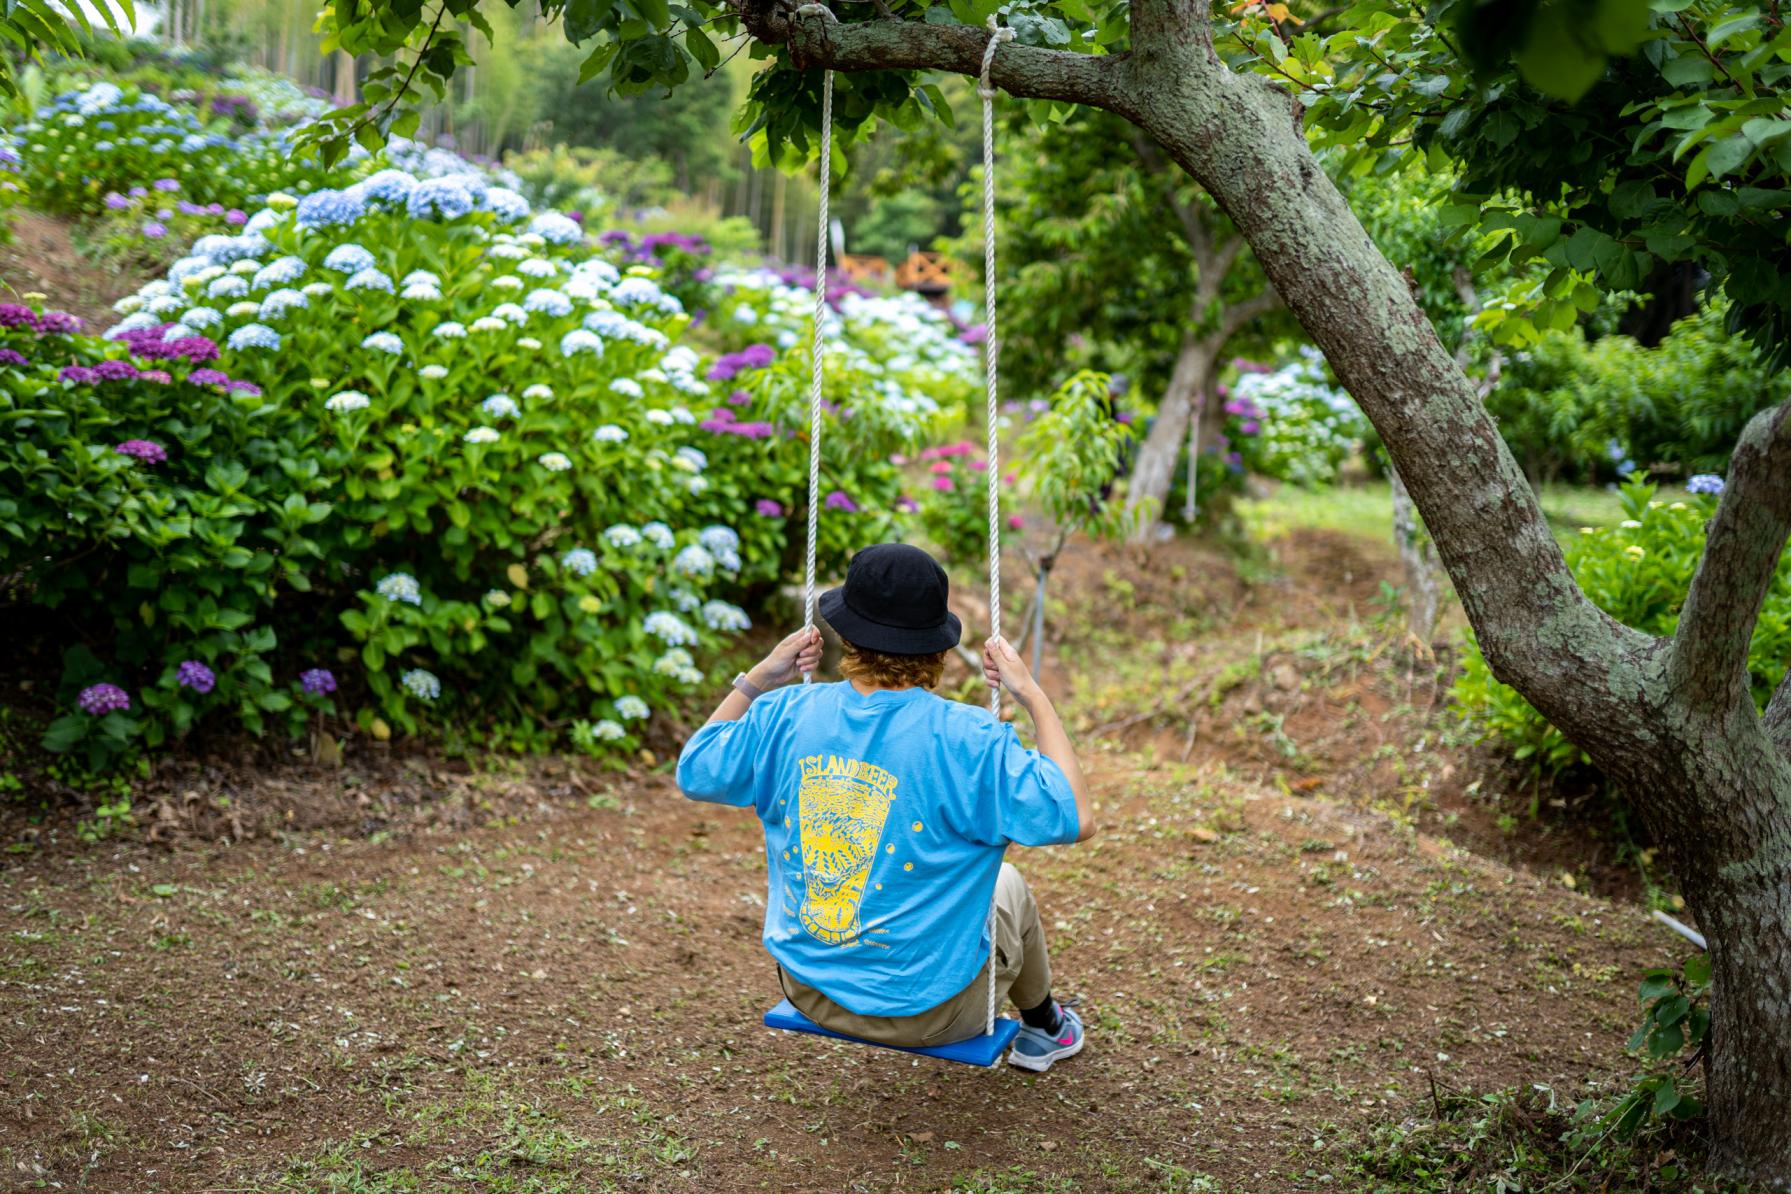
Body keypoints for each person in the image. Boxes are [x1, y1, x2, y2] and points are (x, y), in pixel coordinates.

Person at [677, 542, 1095, 1071]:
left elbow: (695, 768)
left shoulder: (783, 713)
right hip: (933, 1013)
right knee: (1007, 884)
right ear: (937, 644)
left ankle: (1044, 1023)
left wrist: (758, 677)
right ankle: (1044, 1026)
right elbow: (1077, 815)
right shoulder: (970, 739)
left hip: (810, 989)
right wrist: (1033, 695)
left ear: (844, 633)